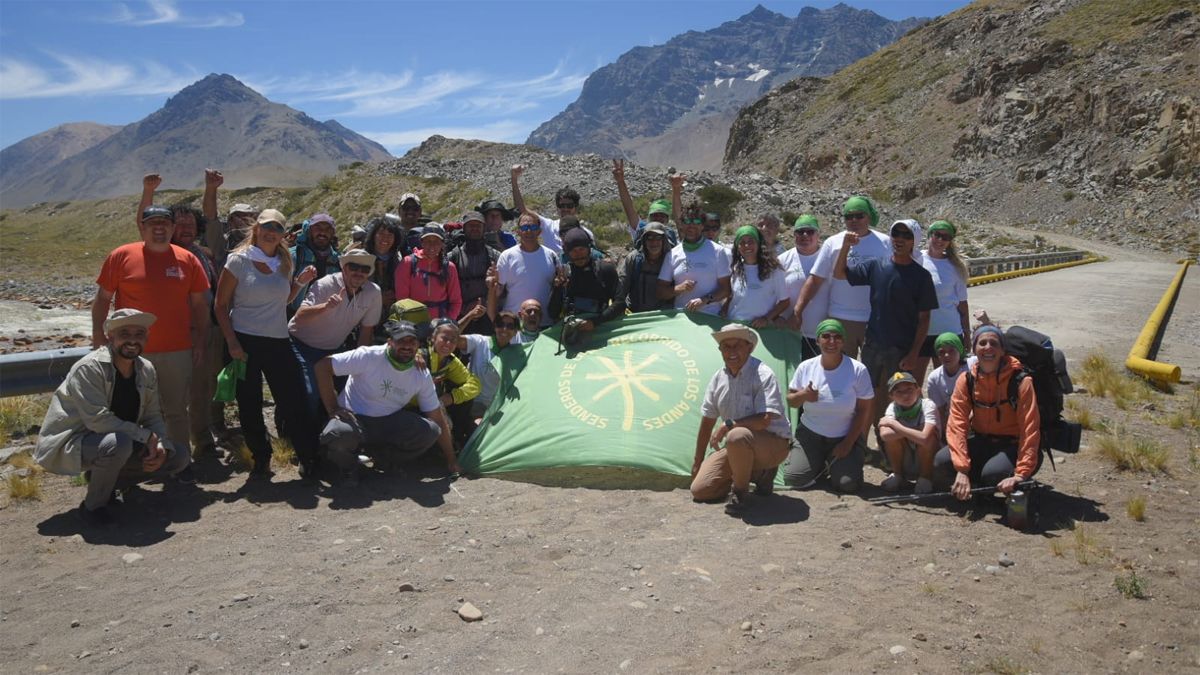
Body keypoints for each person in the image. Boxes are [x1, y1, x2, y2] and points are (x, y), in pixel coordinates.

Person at [36, 309, 191, 526]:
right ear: (111, 336)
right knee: (117, 444)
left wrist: (161, 444)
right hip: (77, 441)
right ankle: (93, 507)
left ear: (146, 338)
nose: (132, 340)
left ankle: (109, 482)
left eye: (139, 334)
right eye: (124, 333)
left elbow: (153, 415)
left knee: (179, 455)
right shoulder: (89, 368)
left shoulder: (146, 369)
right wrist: (146, 437)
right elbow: (97, 421)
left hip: (119, 442)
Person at [93, 203, 209, 482]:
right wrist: (99, 339)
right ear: (142, 227)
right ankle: (129, 466)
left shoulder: (187, 259)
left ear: (172, 228)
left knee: (175, 410)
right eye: (152, 224)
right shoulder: (121, 256)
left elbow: (200, 305)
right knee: (127, 410)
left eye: (165, 224)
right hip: (129, 353)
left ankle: (180, 462)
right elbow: (102, 300)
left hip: (176, 349)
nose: (159, 229)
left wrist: (201, 342)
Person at [214, 208, 319, 482]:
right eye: (266, 226)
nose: (271, 232)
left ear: (283, 234)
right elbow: (221, 305)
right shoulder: (238, 261)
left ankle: (306, 456)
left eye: (277, 228)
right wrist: (232, 343)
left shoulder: (285, 262)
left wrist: (299, 284)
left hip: (277, 341)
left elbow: (281, 301)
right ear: (256, 229)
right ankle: (261, 458)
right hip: (244, 341)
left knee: (291, 400)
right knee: (249, 403)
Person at [136, 174, 224, 459]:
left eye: (191, 224)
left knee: (202, 389)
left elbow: (212, 218)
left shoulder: (204, 253)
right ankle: (166, 446)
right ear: (171, 228)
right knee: (167, 397)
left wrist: (211, 189)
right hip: (173, 334)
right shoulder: (161, 252)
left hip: (205, 331)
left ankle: (202, 440)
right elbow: (143, 224)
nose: (187, 228)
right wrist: (148, 192)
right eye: (180, 224)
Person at [316, 320, 460, 485]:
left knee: (431, 431)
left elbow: (436, 416)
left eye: (411, 341)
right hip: (355, 418)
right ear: (390, 342)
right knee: (338, 434)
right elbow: (322, 366)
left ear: (418, 345)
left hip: (389, 421)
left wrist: (452, 460)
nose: (406, 346)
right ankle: (349, 468)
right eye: (400, 341)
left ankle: (385, 460)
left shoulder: (421, 373)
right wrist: (332, 408)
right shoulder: (368, 355)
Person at [833, 219, 937, 427]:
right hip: (873, 345)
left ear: (914, 241)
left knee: (898, 396)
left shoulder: (922, 277)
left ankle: (894, 443)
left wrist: (914, 353)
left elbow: (924, 319)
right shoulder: (876, 266)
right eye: (896, 234)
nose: (899, 239)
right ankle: (863, 443)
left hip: (901, 350)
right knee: (866, 394)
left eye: (906, 236)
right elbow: (839, 273)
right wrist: (845, 246)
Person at [690, 324, 792, 515]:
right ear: (720, 351)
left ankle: (741, 494)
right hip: (738, 446)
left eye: (737, 345)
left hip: (773, 444)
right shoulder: (717, 379)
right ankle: (756, 474)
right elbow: (707, 421)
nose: (731, 352)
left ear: (749, 347)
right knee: (700, 490)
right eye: (726, 347)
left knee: (736, 435)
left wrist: (729, 425)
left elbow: (765, 419)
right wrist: (697, 462)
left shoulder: (763, 373)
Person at [934, 326, 1042, 499]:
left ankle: (997, 482)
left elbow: (1030, 429)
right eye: (982, 343)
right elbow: (956, 424)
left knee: (992, 475)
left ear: (1002, 350)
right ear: (974, 349)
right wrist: (961, 469)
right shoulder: (967, 380)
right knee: (942, 462)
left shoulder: (1021, 381)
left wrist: (1021, 473)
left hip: (1012, 444)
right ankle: (977, 483)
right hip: (981, 440)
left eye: (994, 343)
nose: (987, 347)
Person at [288, 248, 382, 419]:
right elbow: (299, 317)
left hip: (333, 349)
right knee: (309, 392)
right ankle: (294, 430)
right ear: (344, 268)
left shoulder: (373, 292)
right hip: (301, 345)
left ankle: (329, 431)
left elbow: (366, 331)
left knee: (347, 389)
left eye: (365, 269)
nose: (359, 273)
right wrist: (326, 307)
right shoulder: (325, 284)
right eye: (354, 267)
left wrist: (359, 363)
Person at [784, 319, 873, 493]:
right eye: (826, 336)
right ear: (817, 340)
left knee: (847, 485)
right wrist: (803, 395)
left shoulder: (857, 369)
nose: (831, 342)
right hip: (810, 435)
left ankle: (841, 461)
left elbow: (864, 410)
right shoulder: (806, 367)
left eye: (837, 337)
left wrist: (848, 443)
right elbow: (791, 401)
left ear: (843, 341)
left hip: (844, 435)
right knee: (794, 479)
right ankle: (820, 463)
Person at [798, 196, 891, 358]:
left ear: (869, 216)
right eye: (849, 216)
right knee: (840, 369)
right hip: (841, 317)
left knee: (875, 373)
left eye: (859, 215)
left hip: (874, 318)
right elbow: (815, 279)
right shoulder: (833, 243)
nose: (854, 220)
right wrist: (798, 310)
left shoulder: (885, 243)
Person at [916, 220, 971, 384]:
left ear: (950, 241)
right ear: (929, 235)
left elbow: (962, 304)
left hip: (948, 332)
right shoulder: (916, 258)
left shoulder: (956, 266)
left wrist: (967, 334)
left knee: (949, 384)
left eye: (945, 237)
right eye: (937, 235)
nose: (940, 240)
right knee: (915, 382)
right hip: (921, 332)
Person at [656, 203, 732, 315]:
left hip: (710, 317)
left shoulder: (718, 252)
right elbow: (660, 291)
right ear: (681, 225)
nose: (691, 225)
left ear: (702, 226)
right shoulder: (672, 254)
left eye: (696, 222)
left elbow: (726, 289)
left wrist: (705, 300)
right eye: (687, 221)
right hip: (681, 317)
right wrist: (679, 288)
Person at [418, 318, 481, 448]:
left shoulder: (450, 361)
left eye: (453, 340)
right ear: (432, 337)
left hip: (433, 405)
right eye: (444, 338)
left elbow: (475, 384)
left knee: (465, 399)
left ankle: (454, 440)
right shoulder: (419, 356)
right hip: (412, 407)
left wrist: (451, 397)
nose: (448, 343)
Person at [490, 213, 559, 328]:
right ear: (518, 231)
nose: (528, 231)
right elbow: (499, 290)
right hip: (514, 326)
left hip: (544, 324)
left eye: (533, 228)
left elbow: (556, 288)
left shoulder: (551, 256)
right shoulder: (507, 256)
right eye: (524, 228)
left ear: (539, 231)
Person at [549, 228, 624, 332]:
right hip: (572, 331)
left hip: (601, 328)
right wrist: (557, 289)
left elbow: (620, 303)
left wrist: (595, 322)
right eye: (574, 251)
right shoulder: (565, 274)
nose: (578, 254)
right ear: (567, 253)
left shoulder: (604, 269)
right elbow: (552, 313)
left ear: (589, 249)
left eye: (581, 249)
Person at [510, 164, 595, 254]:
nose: (565, 209)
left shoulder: (586, 234)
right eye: (561, 205)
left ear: (576, 207)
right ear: (557, 207)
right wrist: (514, 179)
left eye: (569, 205)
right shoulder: (549, 226)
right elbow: (521, 209)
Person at [878, 371, 940, 494]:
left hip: (928, 457)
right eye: (899, 392)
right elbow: (885, 435)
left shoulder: (928, 405)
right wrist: (916, 431)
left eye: (909, 389)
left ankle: (925, 477)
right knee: (892, 439)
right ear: (891, 396)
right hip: (906, 455)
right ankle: (898, 475)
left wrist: (895, 425)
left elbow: (925, 437)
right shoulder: (892, 407)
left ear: (918, 390)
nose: (905, 395)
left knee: (931, 438)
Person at [456, 309, 523, 418]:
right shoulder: (480, 342)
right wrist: (470, 316)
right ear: (494, 327)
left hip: (499, 406)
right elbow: (452, 338)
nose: (504, 329)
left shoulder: (517, 354)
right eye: (500, 324)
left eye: (510, 326)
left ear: (516, 331)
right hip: (474, 402)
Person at [779, 215, 829, 360]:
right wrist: (779, 317)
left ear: (818, 234)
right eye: (800, 232)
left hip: (822, 334)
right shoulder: (783, 260)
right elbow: (774, 293)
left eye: (810, 231)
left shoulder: (828, 257)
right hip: (791, 332)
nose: (805, 235)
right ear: (794, 235)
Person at [723, 226, 789, 326]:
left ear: (759, 244)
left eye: (751, 241)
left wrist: (766, 319)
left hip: (760, 329)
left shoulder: (774, 270)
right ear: (737, 247)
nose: (746, 245)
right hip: (734, 324)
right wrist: (723, 310)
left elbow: (784, 302)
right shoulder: (735, 269)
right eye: (742, 243)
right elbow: (732, 296)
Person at [448, 211, 501, 334]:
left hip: (488, 315)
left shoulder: (495, 256)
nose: (475, 228)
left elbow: (502, 288)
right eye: (470, 225)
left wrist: (485, 305)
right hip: (461, 315)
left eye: (478, 225)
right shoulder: (453, 257)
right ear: (464, 228)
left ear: (484, 228)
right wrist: (464, 308)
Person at [395, 224, 461, 320]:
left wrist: (448, 321)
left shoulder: (449, 267)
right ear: (422, 242)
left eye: (436, 241)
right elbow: (402, 299)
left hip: (440, 321)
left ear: (442, 244)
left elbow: (456, 301)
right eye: (428, 241)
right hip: (413, 319)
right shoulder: (408, 263)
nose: (432, 245)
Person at [612, 159, 680, 245]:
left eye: (662, 216)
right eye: (655, 215)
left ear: (667, 219)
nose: (658, 219)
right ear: (649, 217)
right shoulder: (641, 230)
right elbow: (628, 208)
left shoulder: (672, 239)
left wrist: (676, 189)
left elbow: (679, 218)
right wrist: (620, 182)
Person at [288, 213, 341, 315]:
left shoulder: (338, 261)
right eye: (317, 227)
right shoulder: (293, 255)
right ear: (309, 230)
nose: (322, 232)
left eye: (327, 229)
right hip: (291, 316)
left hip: (323, 318)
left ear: (332, 233)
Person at [361, 215, 404, 335]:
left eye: (390, 235)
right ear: (373, 235)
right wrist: (379, 299)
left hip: (390, 317)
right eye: (381, 233)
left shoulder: (398, 259)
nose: (385, 238)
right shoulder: (362, 257)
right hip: (363, 316)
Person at [618, 221, 673, 313]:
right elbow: (622, 287)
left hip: (663, 315)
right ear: (644, 240)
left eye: (658, 238)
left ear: (664, 240)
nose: (654, 242)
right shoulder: (633, 258)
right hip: (634, 313)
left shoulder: (672, 259)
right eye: (649, 238)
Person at [925, 332, 971, 435]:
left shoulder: (972, 365)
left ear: (960, 350)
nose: (946, 355)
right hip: (954, 421)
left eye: (951, 351)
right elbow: (940, 412)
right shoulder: (934, 378)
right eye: (941, 352)